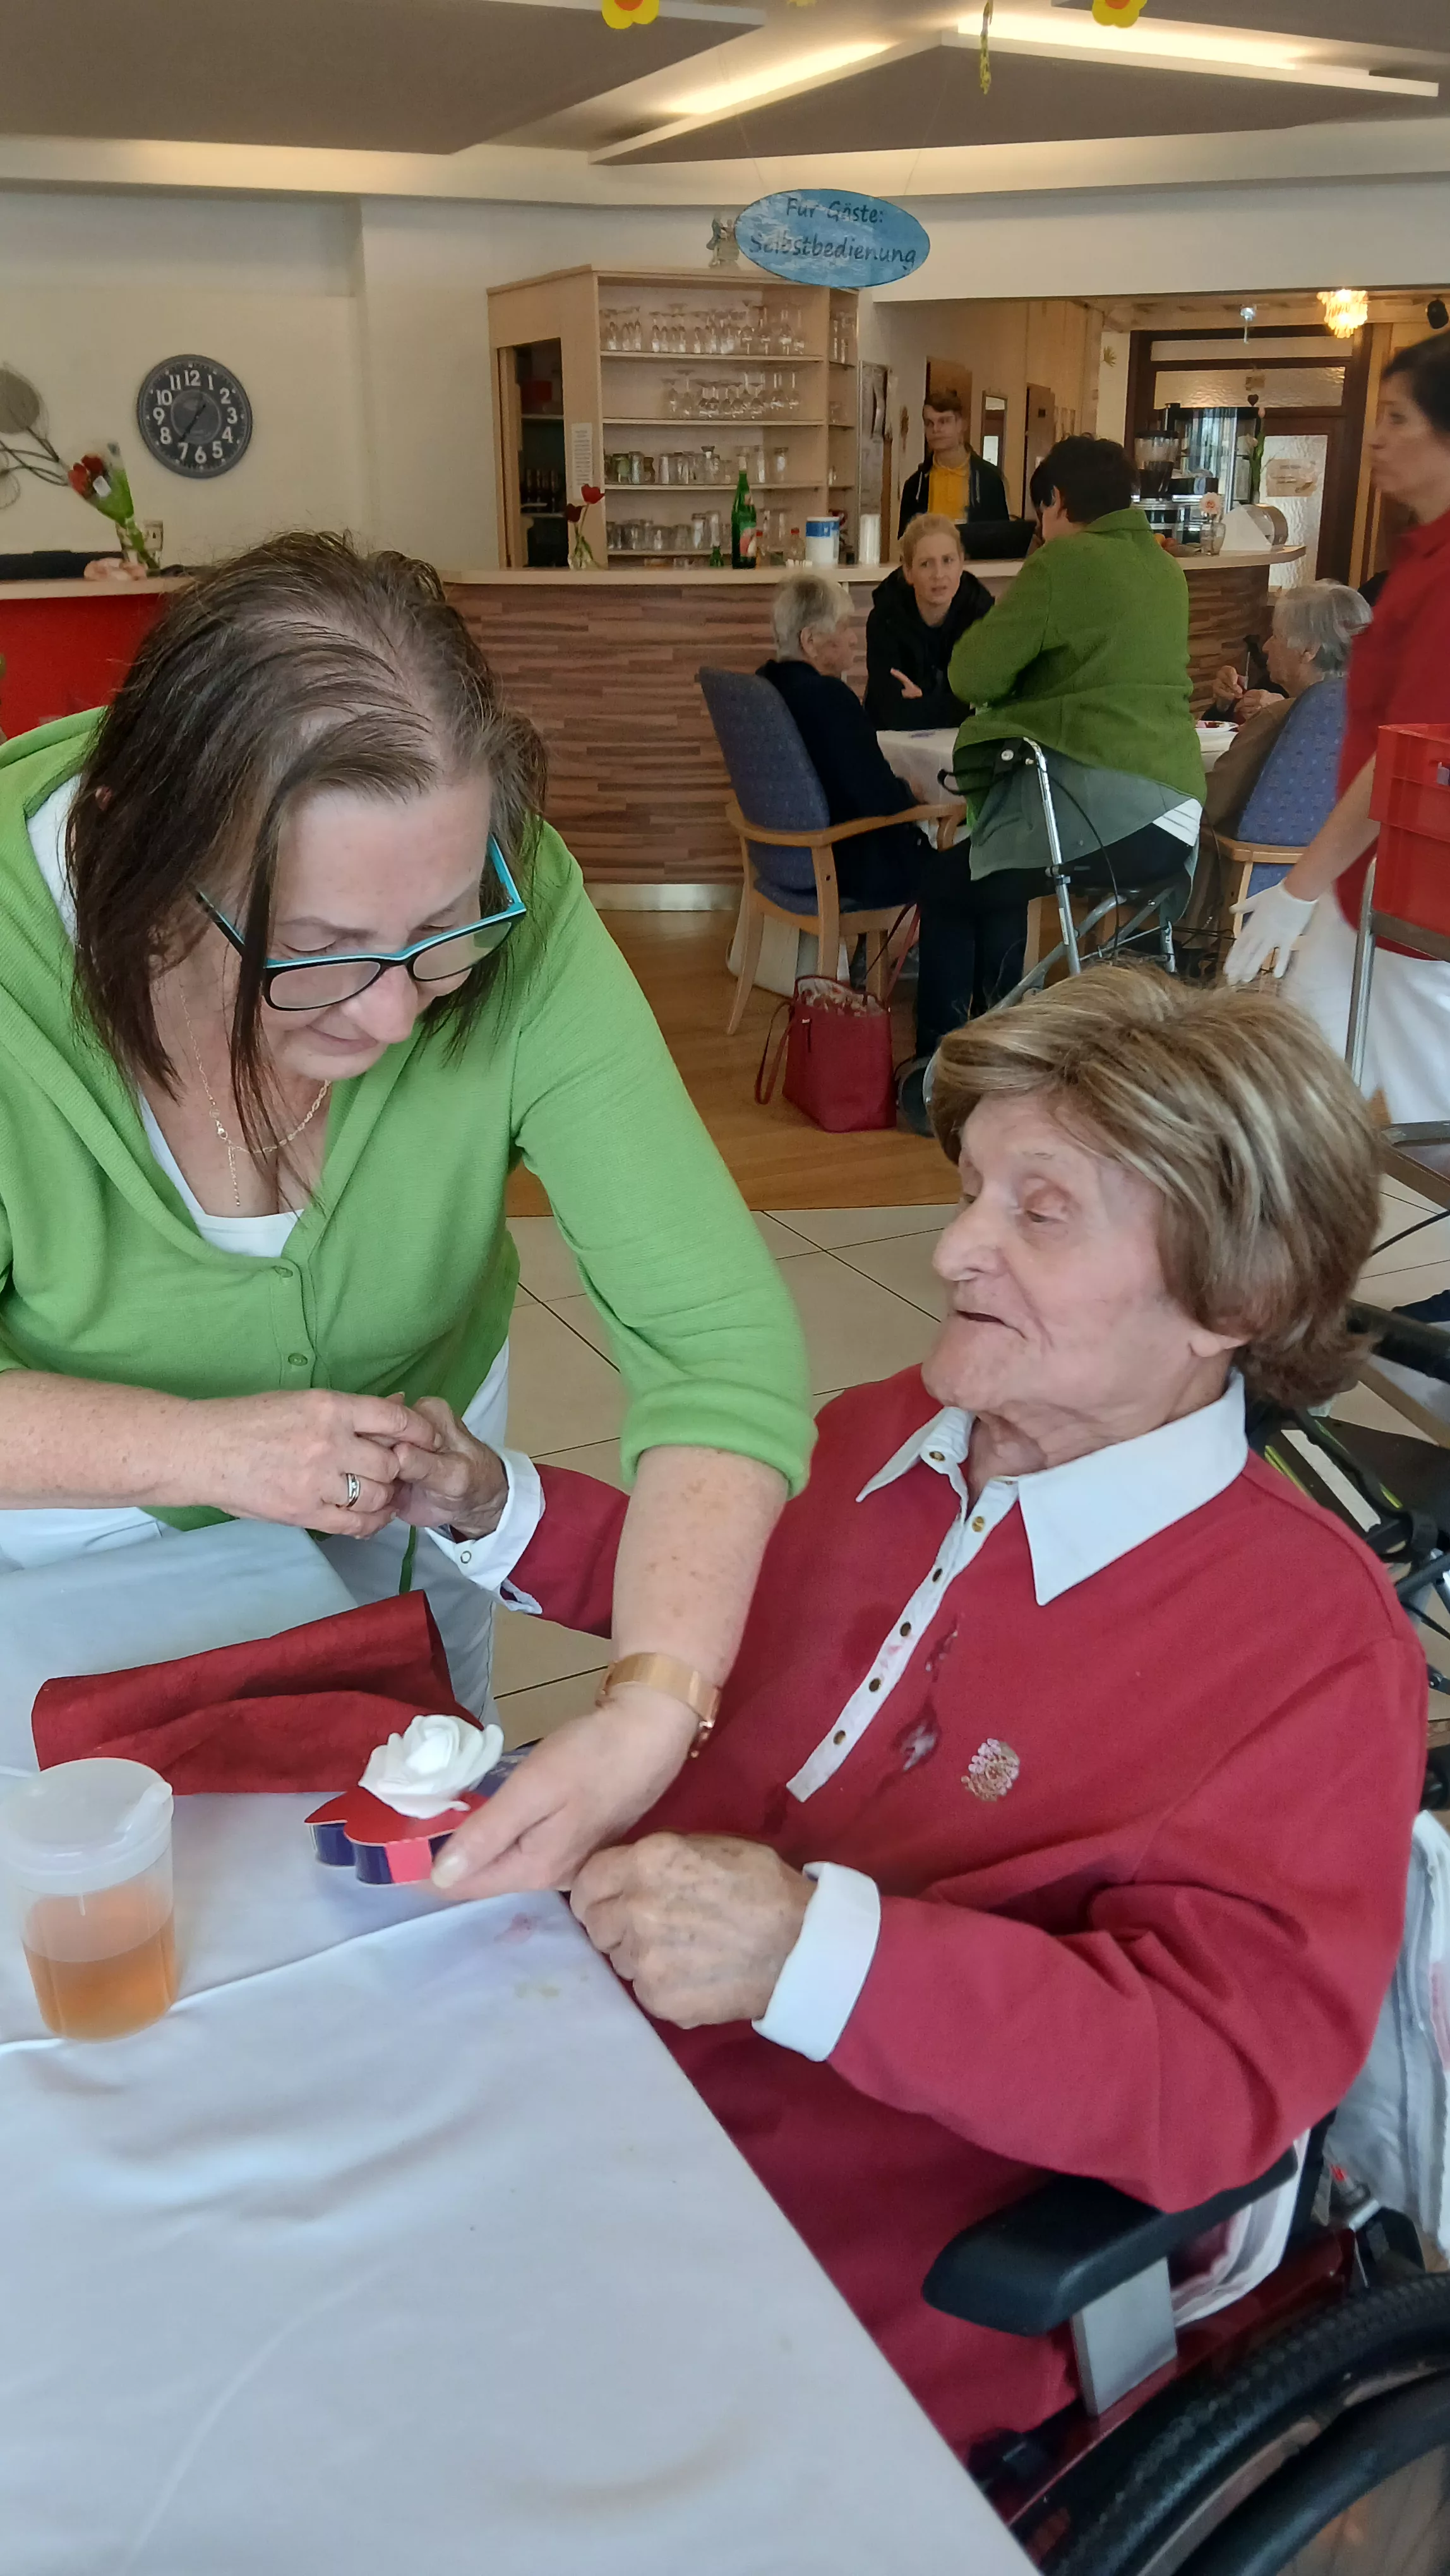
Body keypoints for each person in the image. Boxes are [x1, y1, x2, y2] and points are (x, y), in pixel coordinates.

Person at [431, 965, 1425, 2460]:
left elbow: (1215, 2076)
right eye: (969, 1190)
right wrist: (489, 1501)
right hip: (588, 2059)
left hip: (841, 2255)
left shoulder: (1310, 1647)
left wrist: (809, 1949)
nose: (953, 1245)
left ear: (1237, 1296)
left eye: (1042, 1210)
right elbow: (725, 1583)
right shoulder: (894, 1429)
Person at [0, 533, 813, 1899]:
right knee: (132, 1893)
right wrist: (203, 1450)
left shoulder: (511, 897)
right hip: (70, 1510)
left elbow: (715, 1343)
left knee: (400, 1856)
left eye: (442, 932)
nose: (391, 1017)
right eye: (317, 952)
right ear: (138, 859)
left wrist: (654, 1703)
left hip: (416, 1453)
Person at [1225, 333, 1450, 1123]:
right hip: (1375, 882)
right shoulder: (1418, 558)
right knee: (1296, 1091)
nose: (1377, 438)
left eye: (1397, 418)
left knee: (1426, 1122)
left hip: (1423, 897)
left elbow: (1406, 760)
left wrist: (1297, 887)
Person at [759, 573, 1024, 1100]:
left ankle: (969, 1028)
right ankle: (965, 1039)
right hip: (854, 859)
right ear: (811, 641)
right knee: (984, 874)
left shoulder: (770, 686)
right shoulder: (828, 698)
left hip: (799, 853)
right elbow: (878, 798)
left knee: (966, 869)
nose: (853, 640)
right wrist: (914, 798)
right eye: (843, 628)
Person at [947, 436, 1205, 900]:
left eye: (1041, 516)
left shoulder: (1062, 561)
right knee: (989, 879)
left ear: (1056, 499)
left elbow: (971, 675)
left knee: (953, 882)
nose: (1042, 533)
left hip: (1110, 815)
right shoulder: (1166, 569)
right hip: (1180, 819)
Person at [1204, 580, 1370, 837]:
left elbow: (1208, 807)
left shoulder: (1277, 717)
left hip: (1244, 859)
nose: (1266, 647)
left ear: (1308, 650)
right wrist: (1223, 708)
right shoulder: (1367, 712)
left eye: (1276, 635)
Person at [863, 514, 994, 732]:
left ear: (961, 564)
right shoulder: (885, 619)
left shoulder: (982, 615)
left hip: (962, 740)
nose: (939, 575)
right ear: (908, 572)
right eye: (926, 564)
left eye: (948, 561)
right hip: (891, 744)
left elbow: (989, 705)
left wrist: (923, 702)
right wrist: (959, 705)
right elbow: (893, 713)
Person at [897, 389, 1009, 537]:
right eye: (929, 423)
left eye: (944, 421)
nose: (936, 429)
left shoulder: (989, 481)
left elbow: (1002, 540)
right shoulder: (915, 486)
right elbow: (905, 544)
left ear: (962, 424)